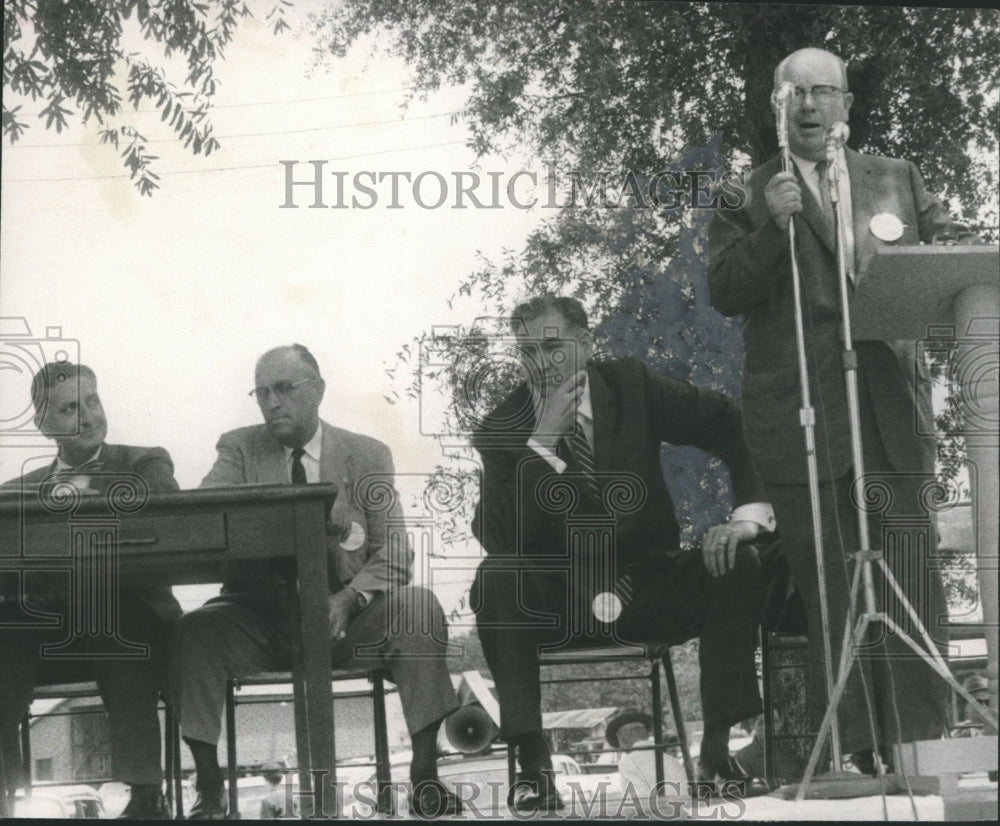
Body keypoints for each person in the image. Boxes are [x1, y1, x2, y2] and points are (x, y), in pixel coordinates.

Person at [708, 47, 956, 773]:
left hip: (889, 410)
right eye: (795, 96)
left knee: (909, 577)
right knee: (832, 586)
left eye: (824, 93)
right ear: (775, 107)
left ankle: (922, 747)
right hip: (802, 417)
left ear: (847, 105)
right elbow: (724, 288)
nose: (811, 107)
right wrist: (771, 228)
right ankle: (859, 751)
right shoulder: (746, 194)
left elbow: (950, 251)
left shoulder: (896, 178)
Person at [471, 295, 774, 811]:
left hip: (647, 587)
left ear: (586, 344)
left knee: (735, 561)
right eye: (527, 353)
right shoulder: (501, 427)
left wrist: (743, 520)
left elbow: (730, 423)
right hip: (560, 599)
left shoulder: (631, 386)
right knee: (498, 576)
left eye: (551, 347)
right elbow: (499, 538)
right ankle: (534, 766)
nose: (540, 365)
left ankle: (717, 756)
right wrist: (540, 444)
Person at [169, 344, 460, 819]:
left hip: (348, 620)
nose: (272, 402)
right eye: (261, 392)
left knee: (419, 606)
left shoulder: (367, 454)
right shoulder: (239, 447)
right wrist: (286, 522)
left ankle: (426, 775)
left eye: (284, 388)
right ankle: (209, 785)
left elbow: (396, 550)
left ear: (317, 390)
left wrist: (348, 600)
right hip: (259, 620)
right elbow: (207, 511)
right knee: (194, 630)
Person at [0, 362, 181, 819]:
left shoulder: (145, 462)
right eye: (68, 408)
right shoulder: (14, 492)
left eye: (92, 400)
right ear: (44, 425)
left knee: (117, 625)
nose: (87, 415)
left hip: (126, 617)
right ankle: (5, 792)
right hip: (50, 634)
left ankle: (145, 795)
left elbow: (158, 519)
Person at [604, 710, 686, 800]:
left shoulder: (627, 764)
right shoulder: (671, 760)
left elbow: (634, 801)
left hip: (653, 811)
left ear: (622, 738)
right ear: (646, 734)